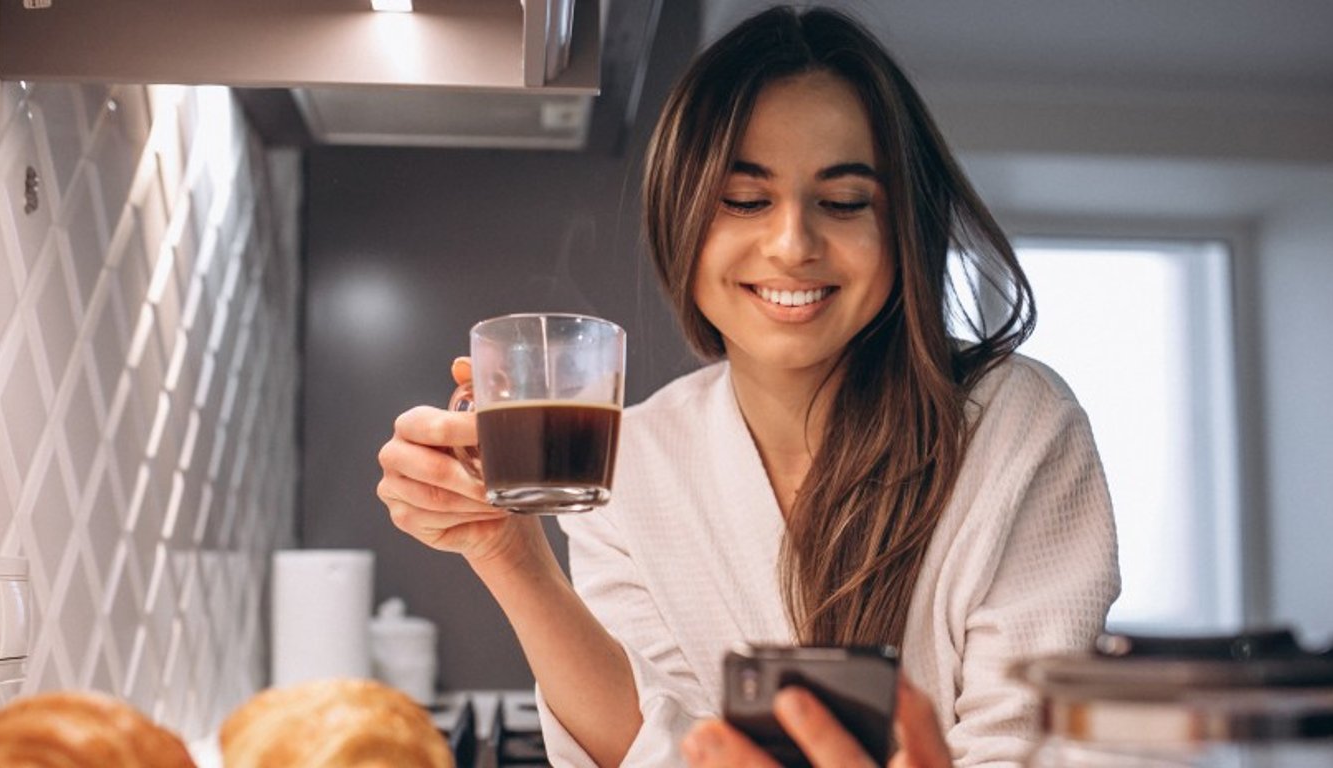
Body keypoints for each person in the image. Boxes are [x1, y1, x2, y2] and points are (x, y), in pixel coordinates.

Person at [376, 6, 1120, 767]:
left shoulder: (1015, 425)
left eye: (843, 202)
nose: (793, 244)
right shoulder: (632, 461)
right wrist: (510, 557)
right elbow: (656, 749)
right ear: (681, 213)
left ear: (904, 226)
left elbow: (1031, 749)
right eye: (744, 198)